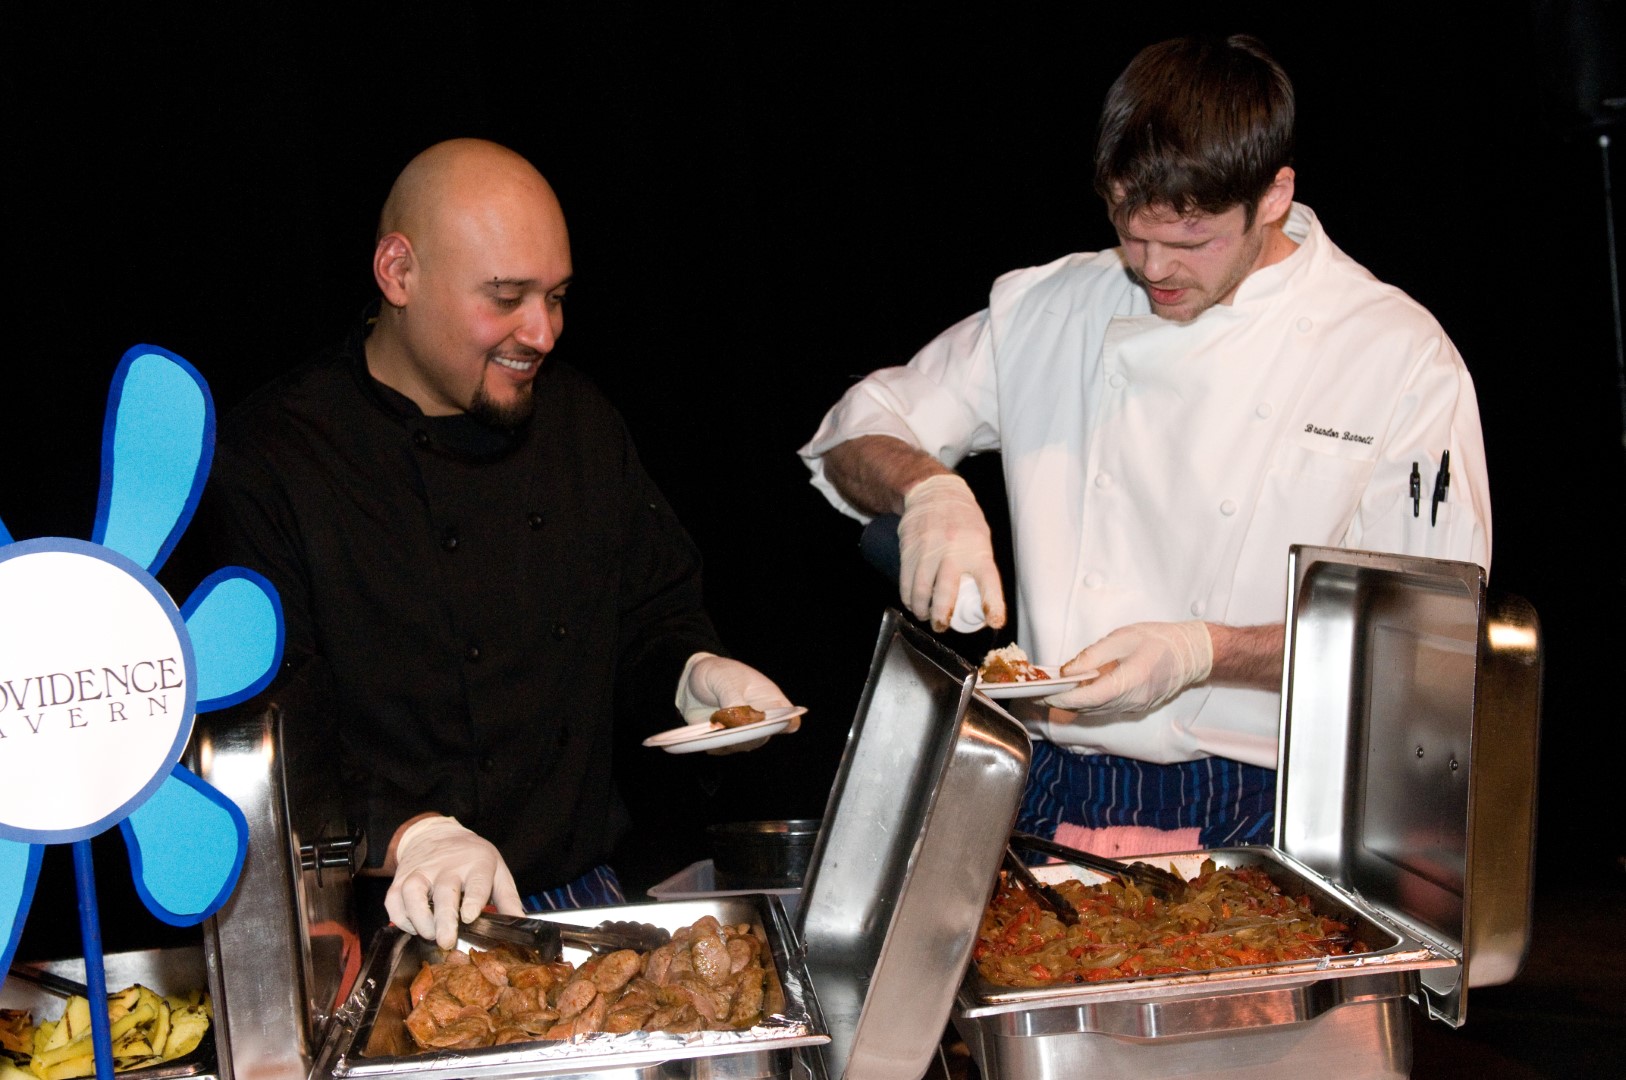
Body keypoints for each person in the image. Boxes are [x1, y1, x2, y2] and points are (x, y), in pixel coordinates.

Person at [799, 35, 1489, 856]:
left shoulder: (1393, 353)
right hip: (1047, 786)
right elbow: (856, 429)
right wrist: (929, 493)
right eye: (1130, 229)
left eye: (1191, 242)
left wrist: (1205, 653)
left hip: (1267, 805)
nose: (1153, 267)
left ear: (1274, 196)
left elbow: (1428, 637)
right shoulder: (1054, 309)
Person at [199, 138, 797, 949]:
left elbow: (649, 612)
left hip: (578, 898)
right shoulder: (276, 458)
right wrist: (411, 833)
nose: (543, 332)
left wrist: (692, 673)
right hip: (374, 926)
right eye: (508, 297)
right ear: (398, 273)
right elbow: (264, 725)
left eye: (556, 297)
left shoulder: (581, 423)